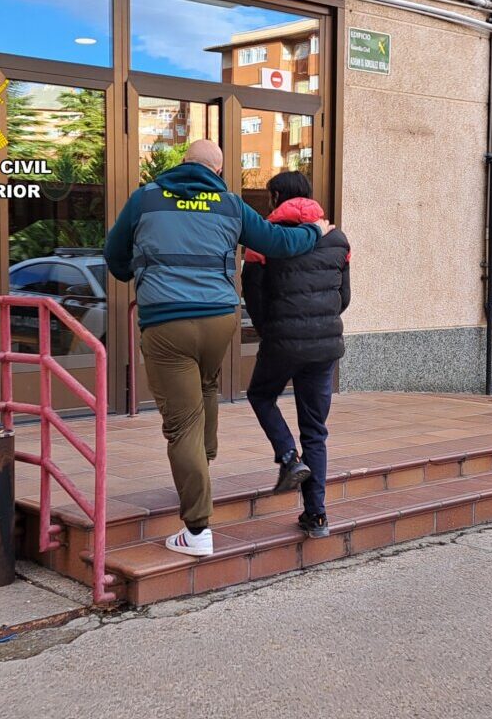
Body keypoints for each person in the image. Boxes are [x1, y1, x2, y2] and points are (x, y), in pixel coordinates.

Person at [104, 140, 331, 557]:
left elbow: (114, 258)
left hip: (167, 322)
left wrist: (136, 269)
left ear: (183, 162)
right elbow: (278, 242)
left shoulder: (145, 199)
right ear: (217, 170)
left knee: (181, 425)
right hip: (219, 320)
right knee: (206, 387)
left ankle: (196, 531)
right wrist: (314, 229)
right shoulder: (229, 204)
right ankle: (202, 462)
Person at [242, 171, 350, 539]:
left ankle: (288, 456)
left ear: (275, 196)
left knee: (260, 395)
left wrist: (271, 330)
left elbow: (253, 299)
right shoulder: (337, 238)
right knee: (315, 431)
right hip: (325, 347)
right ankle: (316, 516)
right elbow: (344, 298)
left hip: (282, 342)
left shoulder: (264, 241)